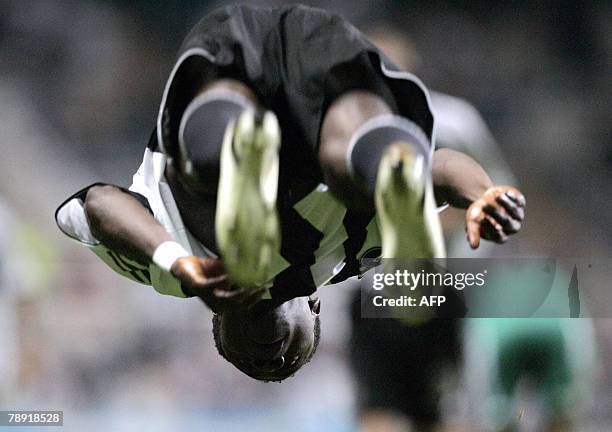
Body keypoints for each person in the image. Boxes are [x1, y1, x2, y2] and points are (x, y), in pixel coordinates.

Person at [55, 4, 525, 382]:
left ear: (218, 322)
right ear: (316, 307)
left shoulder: (180, 272)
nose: (268, 362)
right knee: (351, 167)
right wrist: (482, 193)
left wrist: (175, 260)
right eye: (289, 363)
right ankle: (382, 163)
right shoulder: (356, 252)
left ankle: (235, 149)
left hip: (225, 78)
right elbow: (441, 168)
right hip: (328, 66)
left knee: (202, 173)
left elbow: (96, 203)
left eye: (249, 363)